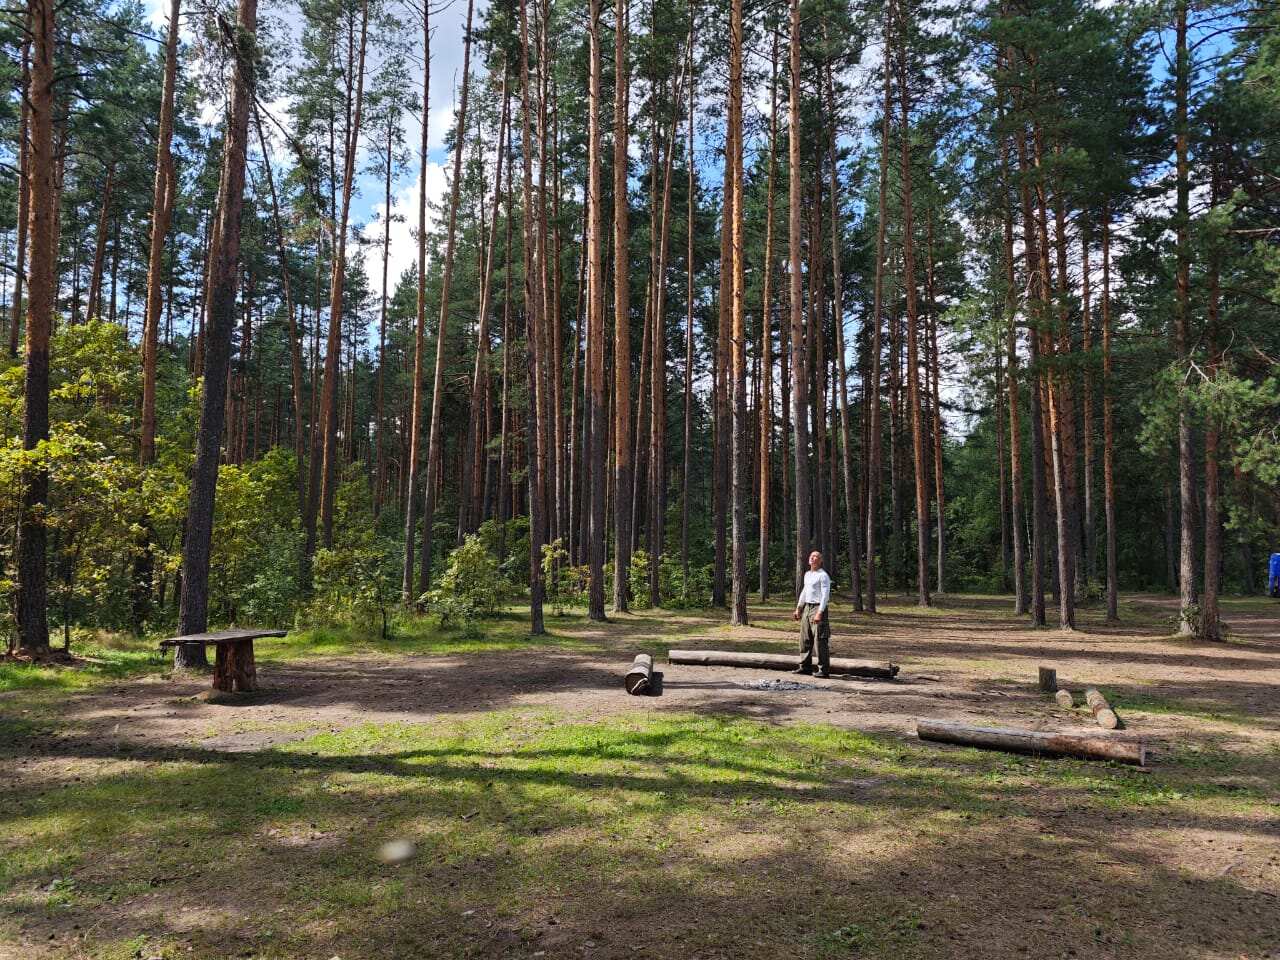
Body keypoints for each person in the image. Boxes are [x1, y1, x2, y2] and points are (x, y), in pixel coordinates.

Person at [792, 549, 831, 677]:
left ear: (820, 561)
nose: (812, 558)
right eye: (811, 556)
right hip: (807, 608)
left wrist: (820, 612)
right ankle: (805, 667)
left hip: (818, 608)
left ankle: (823, 670)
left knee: (820, 640)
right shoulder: (807, 574)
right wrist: (799, 608)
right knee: (805, 639)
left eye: (815, 557)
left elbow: (825, 595)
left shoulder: (823, 575)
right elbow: (804, 591)